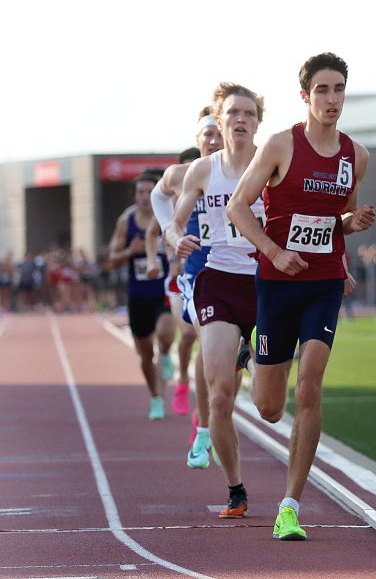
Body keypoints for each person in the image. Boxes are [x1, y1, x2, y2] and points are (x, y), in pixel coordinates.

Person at [228, 52, 375, 541]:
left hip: (323, 283)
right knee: (270, 408)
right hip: (277, 283)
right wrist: (274, 250)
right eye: (322, 90)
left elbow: (339, 220)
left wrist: (353, 225)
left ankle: (289, 505)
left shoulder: (356, 156)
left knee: (310, 384)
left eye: (339, 89)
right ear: (305, 96)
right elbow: (237, 207)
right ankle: (253, 356)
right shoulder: (280, 145)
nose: (332, 99)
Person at [166, 82, 264, 517]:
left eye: (249, 113)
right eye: (232, 114)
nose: (240, 120)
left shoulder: (273, 164)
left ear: (258, 121)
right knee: (220, 395)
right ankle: (236, 489)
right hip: (219, 281)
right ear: (219, 122)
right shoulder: (202, 171)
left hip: (266, 282)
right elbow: (176, 221)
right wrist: (175, 238)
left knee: (268, 405)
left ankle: (251, 357)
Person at [108, 170, 176, 420]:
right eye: (140, 192)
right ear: (134, 195)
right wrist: (129, 251)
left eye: (149, 192)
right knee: (146, 353)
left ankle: (166, 354)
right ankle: (156, 398)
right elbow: (112, 259)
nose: (145, 197)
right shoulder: (126, 221)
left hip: (164, 290)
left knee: (166, 333)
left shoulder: (168, 214)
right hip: (138, 296)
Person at [146, 146, 202, 417]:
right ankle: (183, 381)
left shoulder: (212, 194)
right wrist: (154, 260)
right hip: (178, 279)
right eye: (187, 167)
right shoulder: (174, 204)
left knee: (207, 338)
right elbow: (152, 233)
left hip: (206, 272)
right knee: (188, 333)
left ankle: (206, 409)